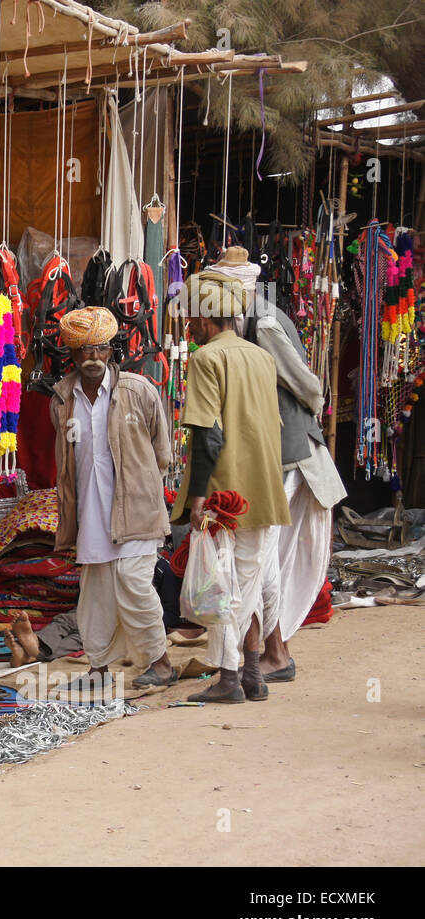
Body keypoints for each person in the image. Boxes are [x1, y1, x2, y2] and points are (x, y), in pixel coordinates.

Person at [201, 254, 346, 683]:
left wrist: (290, 421)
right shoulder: (240, 323)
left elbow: (308, 387)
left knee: (260, 552)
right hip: (264, 454)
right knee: (263, 554)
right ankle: (266, 653)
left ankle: (266, 655)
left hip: (286, 453)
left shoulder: (262, 324)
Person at [172, 271, 290, 704]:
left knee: (220, 590)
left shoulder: (206, 359)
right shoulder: (261, 358)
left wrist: (198, 496)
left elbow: (210, 434)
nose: (190, 328)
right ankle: (253, 674)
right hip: (265, 492)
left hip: (227, 495)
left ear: (206, 320)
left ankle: (228, 677)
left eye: (192, 320)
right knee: (248, 585)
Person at [49, 306, 176, 695]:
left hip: (135, 510)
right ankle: (99, 667)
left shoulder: (138, 391)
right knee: (96, 593)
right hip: (91, 512)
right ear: (72, 355)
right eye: (84, 351)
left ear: (111, 351)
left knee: (134, 585)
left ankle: (161, 662)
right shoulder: (61, 399)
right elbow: (67, 461)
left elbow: (162, 452)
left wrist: (145, 489)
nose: (92, 358)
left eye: (100, 349)